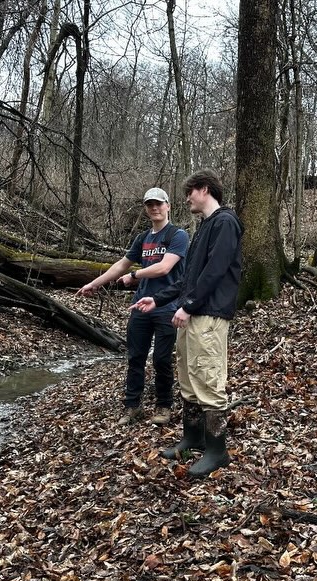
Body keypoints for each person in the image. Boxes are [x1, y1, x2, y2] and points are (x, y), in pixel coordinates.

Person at [131, 170, 243, 476]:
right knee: (190, 379)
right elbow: (188, 278)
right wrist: (160, 300)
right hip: (192, 314)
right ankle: (193, 438)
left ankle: (217, 451)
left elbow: (216, 271)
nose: (188, 198)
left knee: (208, 380)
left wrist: (190, 306)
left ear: (204, 189)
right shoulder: (206, 226)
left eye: (190, 192)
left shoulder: (225, 223)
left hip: (209, 315)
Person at [77, 188, 189, 425]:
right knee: (135, 357)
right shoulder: (143, 238)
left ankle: (164, 406)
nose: (154, 208)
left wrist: (134, 275)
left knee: (160, 358)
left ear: (168, 206)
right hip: (140, 306)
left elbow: (164, 268)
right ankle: (132, 406)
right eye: (150, 205)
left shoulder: (178, 235)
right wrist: (94, 284)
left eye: (158, 204)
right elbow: (121, 264)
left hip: (167, 305)